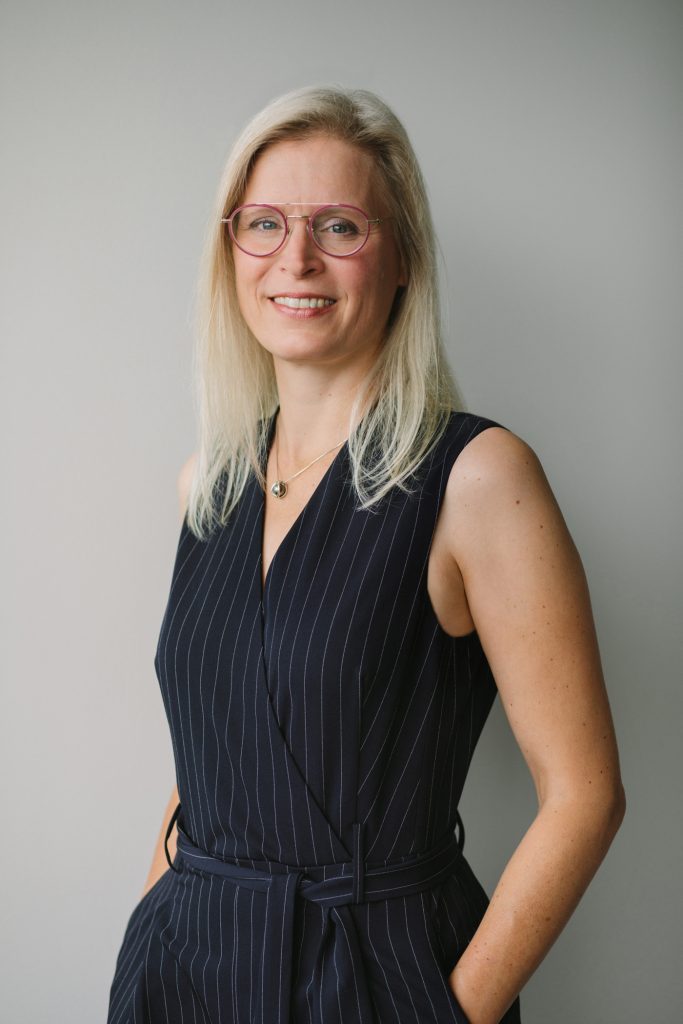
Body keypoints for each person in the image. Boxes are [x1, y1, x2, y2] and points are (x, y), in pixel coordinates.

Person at [106, 85, 626, 1024]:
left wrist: (443, 1013)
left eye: (338, 226)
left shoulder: (475, 478)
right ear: (229, 255)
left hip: (380, 986)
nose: (294, 258)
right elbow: (212, 767)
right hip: (181, 980)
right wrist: (151, 928)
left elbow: (584, 796)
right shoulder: (208, 484)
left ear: (401, 261)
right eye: (262, 223)